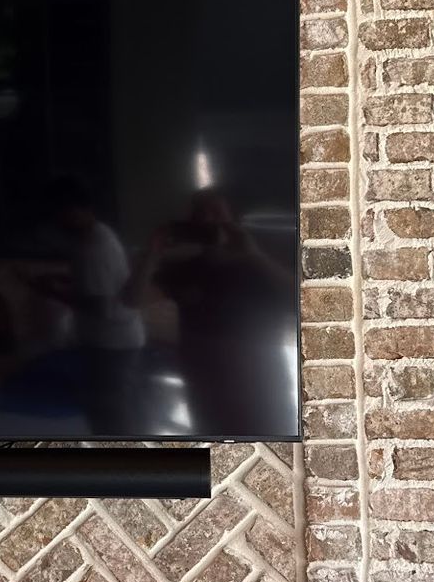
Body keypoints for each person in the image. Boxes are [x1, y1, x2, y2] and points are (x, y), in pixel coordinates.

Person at [147, 187, 295, 435]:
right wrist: (151, 251)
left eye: (215, 211)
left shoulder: (261, 263)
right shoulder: (184, 268)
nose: (206, 219)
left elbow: (303, 301)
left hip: (260, 393)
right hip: (204, 392)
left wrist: (254, 257)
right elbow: (132, 300)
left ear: (234, 219)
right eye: (198, 213)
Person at [37, 176, 147, 434]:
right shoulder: (93, 235)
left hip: (112, 345)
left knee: (112, 419)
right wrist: (61, 281)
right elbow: (97, 284)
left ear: (75, 210)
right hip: (110, 341)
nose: (55, 221)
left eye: (58, 213)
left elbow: (101, 308)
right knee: (112, 410)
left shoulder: (95, 248)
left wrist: (51, 292)